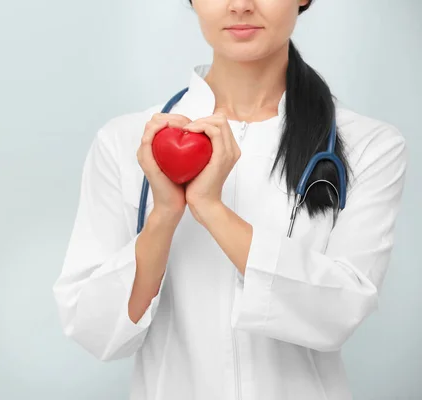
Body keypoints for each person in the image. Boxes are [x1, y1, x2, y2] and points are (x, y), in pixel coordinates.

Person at [52, 0, 408, 399]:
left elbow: (339, 313)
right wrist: (165, 215)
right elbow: (95, 329)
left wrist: (211, 210)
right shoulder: (126, 141)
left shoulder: (369, 145)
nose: (240, 5)